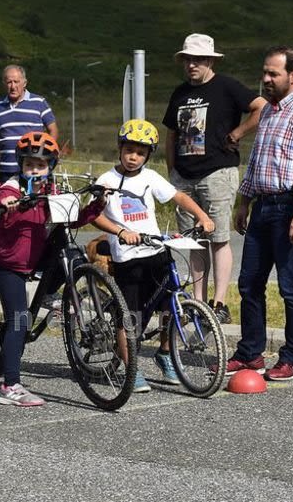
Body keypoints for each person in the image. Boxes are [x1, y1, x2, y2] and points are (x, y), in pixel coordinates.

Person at [0, 132, 107, 406]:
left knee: (73, 255)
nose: (35, 170)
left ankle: (51, 295)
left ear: (50, 167)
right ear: (21, 165)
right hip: (11, 265)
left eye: (41, 165)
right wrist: (3, 209)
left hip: (37, 259)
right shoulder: (11, 189)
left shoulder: (51, 191)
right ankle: (10, 386)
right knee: (19, 320)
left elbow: (72, 220)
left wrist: (97, 205)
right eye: (29, 164)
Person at [229, 46, 293, 382]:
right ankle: (250, 354)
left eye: (273, 74)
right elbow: (258, 161)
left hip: (292, 207)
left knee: (290, 285)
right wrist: (244, 200)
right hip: (263, 206)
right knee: (249, 284)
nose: (266, 79)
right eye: (265, 72)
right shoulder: (269, 111)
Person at [92, 119, 215, 392]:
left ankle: (164, 352)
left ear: (148, 155)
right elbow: (95, 216)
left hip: (156, 250)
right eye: (129, 151)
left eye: (141, 153)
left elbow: (178, 197)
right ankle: (131, 367)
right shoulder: (107, 180)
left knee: (170, 306)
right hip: (128, 257)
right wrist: (120, 231)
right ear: (120, 148)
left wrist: (202, 216)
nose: (134, 157)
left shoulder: (150, 178)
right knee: (130, 316)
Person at [162, 33, 266, 324]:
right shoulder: (179, 93)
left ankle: (218, 303)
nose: (191, 65)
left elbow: (261, 107)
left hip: (217, 172)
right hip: (183, 177)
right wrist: (171, 172)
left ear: (209, 60)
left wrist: (238, 133)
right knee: (192, 242)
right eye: (187, 60)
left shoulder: (227, 86)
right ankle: (197, 302)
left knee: (218, 238)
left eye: (197, 60)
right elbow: (171, 133)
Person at [0, 65, 59, 183]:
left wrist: (47, 153)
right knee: (7, 200)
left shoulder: (39, 102)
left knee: (35, 201)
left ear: (24, 83)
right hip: (7, 169)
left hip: (34, 169)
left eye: (16, 82)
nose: (13, 86)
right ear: (4, 84)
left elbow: (53, 129)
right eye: (9, 82)